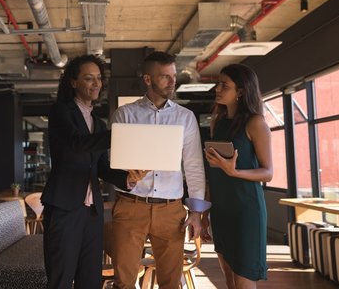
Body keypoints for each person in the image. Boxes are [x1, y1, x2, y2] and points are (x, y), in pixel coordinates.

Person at [41, 54, 142, 289]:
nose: (96, 83)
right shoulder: (60, 112)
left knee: (90, 280)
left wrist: (126, 178)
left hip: (92, 212)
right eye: (89, 78)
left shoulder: (99, 123)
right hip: (64, 207)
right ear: (73, 82)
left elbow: (101, 167)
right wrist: (121, 134)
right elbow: (76, 143)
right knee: (61, 279)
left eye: (98, 78)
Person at [110, 51, 208, 289]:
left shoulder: (185, 118)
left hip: (171, 211)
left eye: (173, 76)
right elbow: (114, 163)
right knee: (123, 282)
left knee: (171, 283)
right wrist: (127, 178)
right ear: (147, 79)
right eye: (165, 77)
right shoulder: (125, 114)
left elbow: (194, 165)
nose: (172, 81)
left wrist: (196, 212)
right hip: (130, 207)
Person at [202, 63, 273, 289]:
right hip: (221, 211)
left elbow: (268, 172)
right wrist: (205, 214)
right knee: (230, 280)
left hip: (246, 211)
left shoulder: (256, 122)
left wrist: (235, 172)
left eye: (225, 85)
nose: (218, 89)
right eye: (218, 84)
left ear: (241, 91)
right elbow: (212, 174)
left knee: (243, 281)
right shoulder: (218, 123)